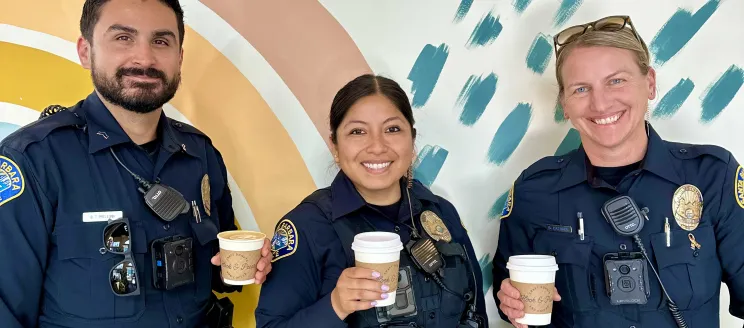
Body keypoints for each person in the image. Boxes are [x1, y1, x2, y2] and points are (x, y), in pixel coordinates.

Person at [0, 0, 272, 327]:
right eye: (123, 38)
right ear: (86, 52)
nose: (144, 58)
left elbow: (218, 271)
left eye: (161, 41)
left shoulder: (200, 153)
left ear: (179, 58)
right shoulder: (33, 160)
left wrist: (249, 264)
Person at [492, 15, 744, 328]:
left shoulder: (712, 176)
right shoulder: (534, 190)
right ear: (564, 104)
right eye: (581, 88)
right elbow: (508, 291)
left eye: (616, 81)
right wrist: (509, 301)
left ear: (649, 83)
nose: (600, 103)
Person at [254, 74, 488, 328]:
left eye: (392, 129)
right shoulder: (306, 226)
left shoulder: (441, 212)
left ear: (412, 139)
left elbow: (475, 313)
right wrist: (335, 305)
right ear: (335, 146)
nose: (377, 146)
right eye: (358, 131)